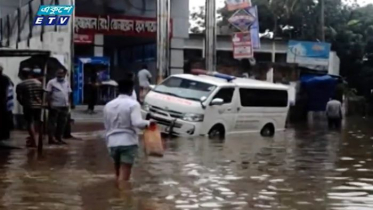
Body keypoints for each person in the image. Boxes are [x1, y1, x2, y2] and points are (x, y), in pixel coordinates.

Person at [104, 78, 153, 182]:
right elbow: (137, 123)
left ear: (118, 90)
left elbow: (106, 126)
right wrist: (150, 123)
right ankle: (122, 197)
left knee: (117, 173)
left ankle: (115, 194)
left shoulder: (108, 105)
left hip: (112, 143)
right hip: (128, 142)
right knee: (125, 176)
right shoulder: (133, 104)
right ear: (131, 90)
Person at [16, 68, 43, 147]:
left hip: (28, 106)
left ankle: (33, 141)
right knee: (37, 121)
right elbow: (42, 95)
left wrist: (23, 103)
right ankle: (37, 139)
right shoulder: (39, 83)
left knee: (30, 122)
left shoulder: (21, 84)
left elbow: (19, 97)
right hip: (38, 106)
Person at [46, 68, 72, 145]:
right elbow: (48, 93)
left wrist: (69, 103)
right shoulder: (51, 82)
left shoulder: (66, 82)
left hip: (64, 106)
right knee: (52, 123)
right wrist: (49, 103)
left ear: (64, 74)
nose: (59, 75)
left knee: (62, 123)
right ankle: (51, 138)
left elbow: (69, 93)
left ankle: (59, 138)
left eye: (61, 74)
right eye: (58, 73)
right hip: (55, 106)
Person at [0, 63, 13, 141]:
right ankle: (4, 135)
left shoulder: (5, 79)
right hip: (4, 101)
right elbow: (10, 87)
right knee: (5, 118)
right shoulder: (6, 78)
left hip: (3, 101)